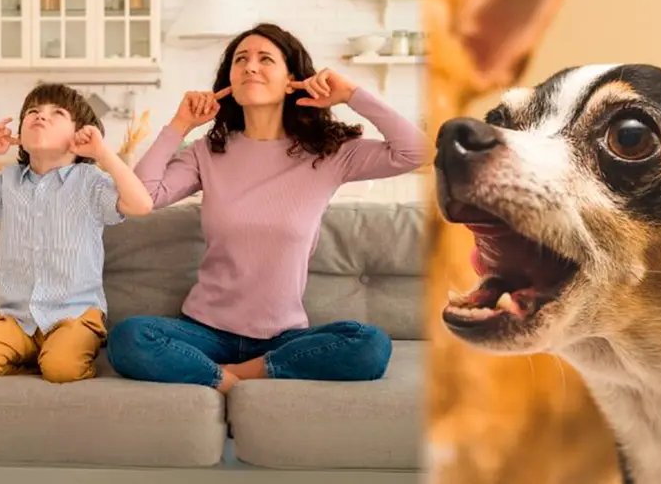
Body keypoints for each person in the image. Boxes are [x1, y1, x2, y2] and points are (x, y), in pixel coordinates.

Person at [105, 22, 427, 393]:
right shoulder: (208, 152)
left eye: (265, 59)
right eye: (240, 59)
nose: (250, 67)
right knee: (129, 337)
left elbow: (416, 152)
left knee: (370, 345)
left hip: (283, 337)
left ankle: (227, 377)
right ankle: (238, 374)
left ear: (292, 78)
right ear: (230, 79)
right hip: (205, 332)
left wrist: (351, 94)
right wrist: (180, 125)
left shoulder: (329, 153)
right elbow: (143, 198)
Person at [0, 83, 154, 383]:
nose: (41, 116)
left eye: (57, 112)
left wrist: (102, 152)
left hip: (74, 316)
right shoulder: (7, 183)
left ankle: (59, 352)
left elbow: (141, 205)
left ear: (80, 135)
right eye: (33, 112)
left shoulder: (90, 182)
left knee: (62, 369)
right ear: (21, 136)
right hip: (18, 319)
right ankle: (36, 355)